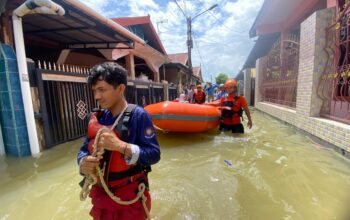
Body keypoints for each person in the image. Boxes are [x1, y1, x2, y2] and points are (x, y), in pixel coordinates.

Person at [77, 62, 161, 220]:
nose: (96, 97)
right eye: (94, 90)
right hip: (102, 196)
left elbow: (154, 154)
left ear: (121, 88)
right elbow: (83, 149)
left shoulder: (139, 116)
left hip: (130, 199)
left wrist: (121, 146)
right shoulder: (98, 117)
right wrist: (83, 162)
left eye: (102, 90)